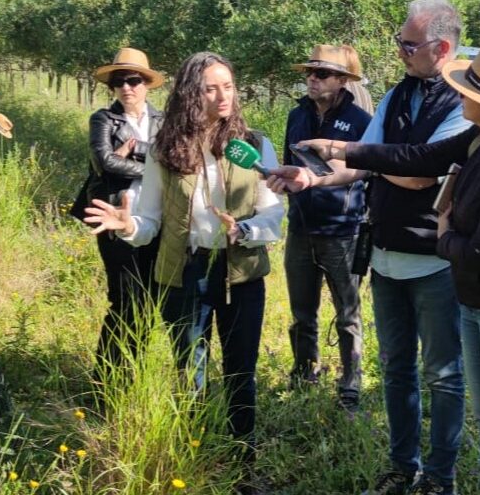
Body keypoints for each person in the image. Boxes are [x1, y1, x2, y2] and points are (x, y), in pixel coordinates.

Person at [290, 45, 480, 495]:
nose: (459, 96)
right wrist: (340, 148)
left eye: (467, 91)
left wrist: (441, 233)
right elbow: (418, 159)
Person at [271, 0, 471, 495]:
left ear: (441, 48)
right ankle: (402, 468)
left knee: (443, 375)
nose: (400, 51)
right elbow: (377, 164)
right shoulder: (396, 96)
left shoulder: (464, 102)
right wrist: (313, 180)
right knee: (396, 370)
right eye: (399, 42)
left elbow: (424, 170)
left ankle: (440, 478)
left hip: (434, 261)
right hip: (383, 256)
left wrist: (359, 155)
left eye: (409, 43)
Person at [83, 51, 284, 460]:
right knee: (190, 371)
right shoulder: (165, 149)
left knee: (240, 371)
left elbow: (274, 210)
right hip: (186, 271)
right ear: (192, 93)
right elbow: (150, 221)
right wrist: (129, 227)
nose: (222, 96)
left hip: (240, 272)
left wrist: (245, 230)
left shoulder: (256, 143)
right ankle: (197, 454)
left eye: (227, 86)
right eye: (210, 88)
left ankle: (242, 457)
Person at [282, 44, 372, 411]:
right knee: (302, 310)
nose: (311, 79)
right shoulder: (296, 116)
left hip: (343, 230)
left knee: (347, 312)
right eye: (309, 73)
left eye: (321, 74)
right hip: (300, 227)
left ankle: (351, 382)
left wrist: (316, 180)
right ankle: (304, 372)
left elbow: (365, 168)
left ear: (342, 80)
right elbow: (291, 165)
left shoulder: (360, 121)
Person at [73, 48, 166, 381]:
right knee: (124, 299)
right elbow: (105, 162)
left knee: (149, 301)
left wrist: (136, 149)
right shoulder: (103, 119)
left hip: (155, 219)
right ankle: (106, 377)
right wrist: (153, 167)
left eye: (134, 80)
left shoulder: (162, 120)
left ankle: (134, 371)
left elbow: (173, 160)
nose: (127, 87)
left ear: (147, 84)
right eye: (119, 82)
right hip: (113, 217)